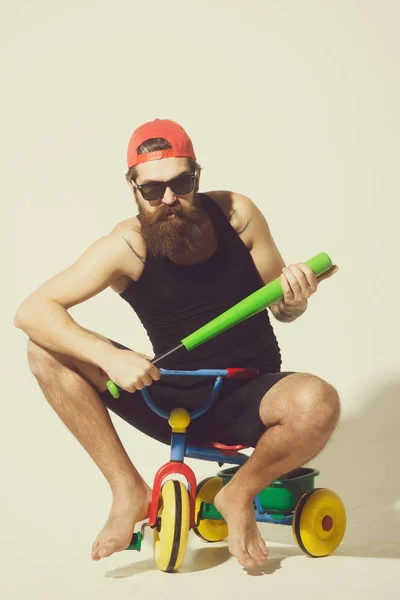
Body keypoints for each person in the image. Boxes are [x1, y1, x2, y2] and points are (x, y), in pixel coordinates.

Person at [14, 118, 340, 570]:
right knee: (43, 350)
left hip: (251, 391)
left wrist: (296, 299)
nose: (169, 199)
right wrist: (110, 356)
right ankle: (128, 489)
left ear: (197, 176)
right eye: (153, 190)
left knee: (318, 401)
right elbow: (32, 311)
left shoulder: (236, 215)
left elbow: (282, 309)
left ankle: (238, 494)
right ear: (134, 188)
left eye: (181, 183)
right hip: (167, 392)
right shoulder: (125, 246)